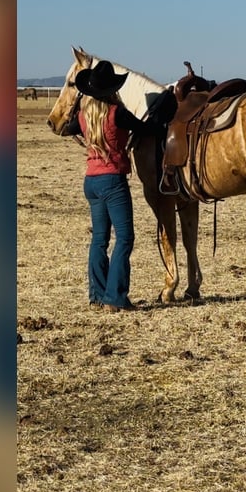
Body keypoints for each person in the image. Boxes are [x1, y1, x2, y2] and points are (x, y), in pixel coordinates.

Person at [66, 60, 160, 312]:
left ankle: (97, 294)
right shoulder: (116, 113)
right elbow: (146, 127)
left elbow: (67, 129)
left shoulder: (83, 116)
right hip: (112, 180)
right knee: (125, 238)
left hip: (91, 181)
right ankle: (115, 297)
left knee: (99, 239)